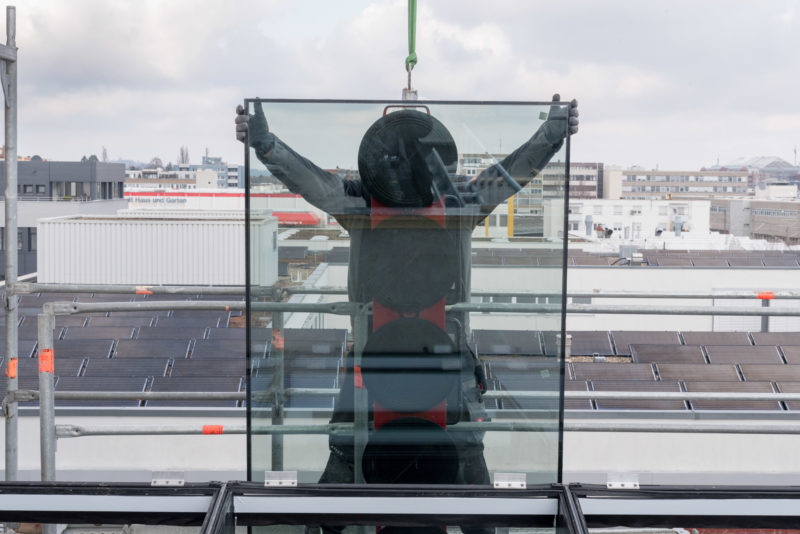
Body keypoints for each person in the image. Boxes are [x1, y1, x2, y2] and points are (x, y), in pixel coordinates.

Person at [235, 96, 578, 494]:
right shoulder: (455, 202)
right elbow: (511, 173)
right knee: (447, 462)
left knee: (373, 457)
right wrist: (266, 145)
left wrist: (266, 145)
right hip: (431, 359)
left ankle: (331, 522)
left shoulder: (366, 201)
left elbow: (311, 182)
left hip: (389, 359)